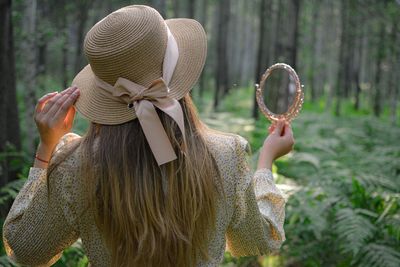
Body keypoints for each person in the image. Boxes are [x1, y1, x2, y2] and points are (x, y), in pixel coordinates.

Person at [2, 5, 294, 267]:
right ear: (179, 71)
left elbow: (26, 251)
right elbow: (259, 240)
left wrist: (47, 148)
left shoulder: (76, 165)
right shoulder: (227, 155)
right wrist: (265, 161)